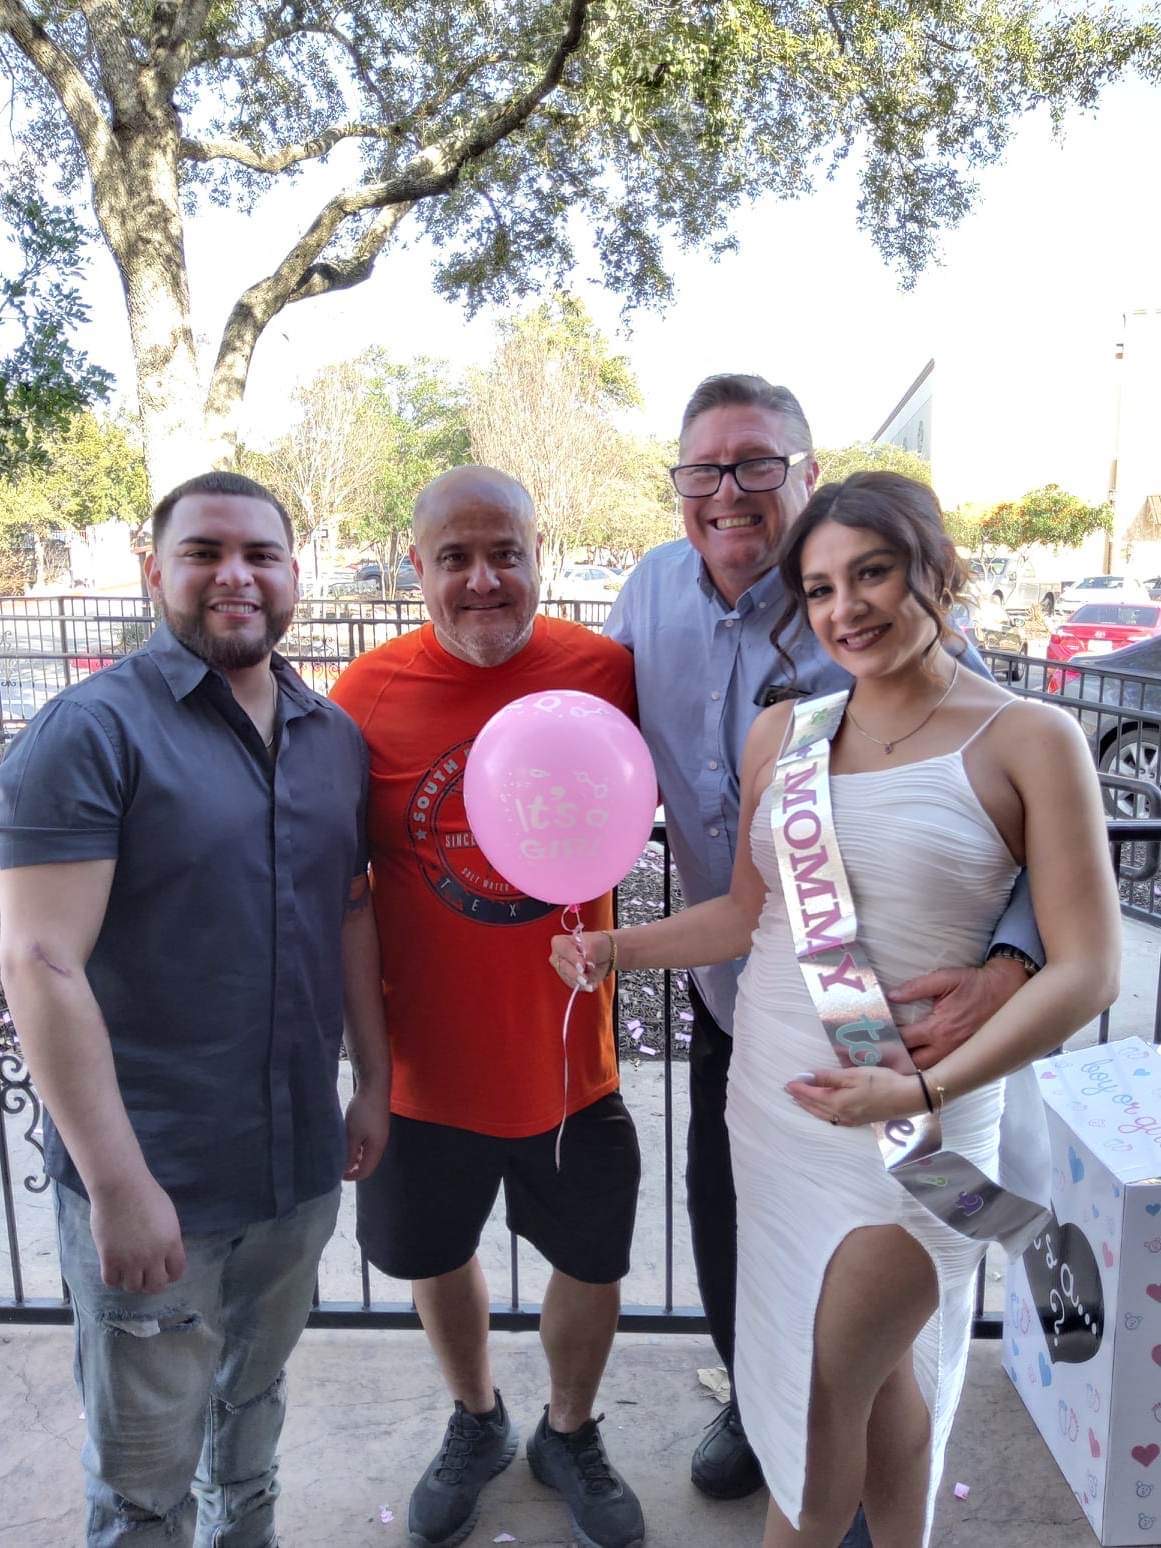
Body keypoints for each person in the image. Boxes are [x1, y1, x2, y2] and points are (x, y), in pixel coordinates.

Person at [556, 470, 1120, 1546]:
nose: (845, 608)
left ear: (936, 571)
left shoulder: (1028, 738)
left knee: (809, 1435)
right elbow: (739, 919)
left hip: (922, 1135)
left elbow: (1087, 970)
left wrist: (921, 1084)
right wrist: (613, 947)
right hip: (774, 1118)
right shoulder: (787, 736)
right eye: (818, 589)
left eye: (873, 573)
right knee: (880, 1393)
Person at [0, 471, 390, 1547]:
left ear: (292, 572)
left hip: (296, 1167)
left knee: (248, 1417)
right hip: (157, 1174)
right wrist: (121, 1188)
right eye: (205, 552)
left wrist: (374, 1082)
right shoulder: (90, 733)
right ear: (153, 571)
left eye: (261, 553)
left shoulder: (331, 737)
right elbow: (38, 961)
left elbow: (351, 913)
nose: (236, 576)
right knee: (144, 1480)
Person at [330, 465, 645, 1548]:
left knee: (593, 1261)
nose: (482, 579)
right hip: (426, 1071)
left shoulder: (604, 671)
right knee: (432, 1257)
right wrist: (363, 1073)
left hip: (572, 1066)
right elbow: (332, 888)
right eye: (454, 557)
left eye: (504, 551)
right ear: (415, 565)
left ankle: (569, 1429)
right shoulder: (361, 699)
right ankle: (476, 1420)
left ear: (538, 554)